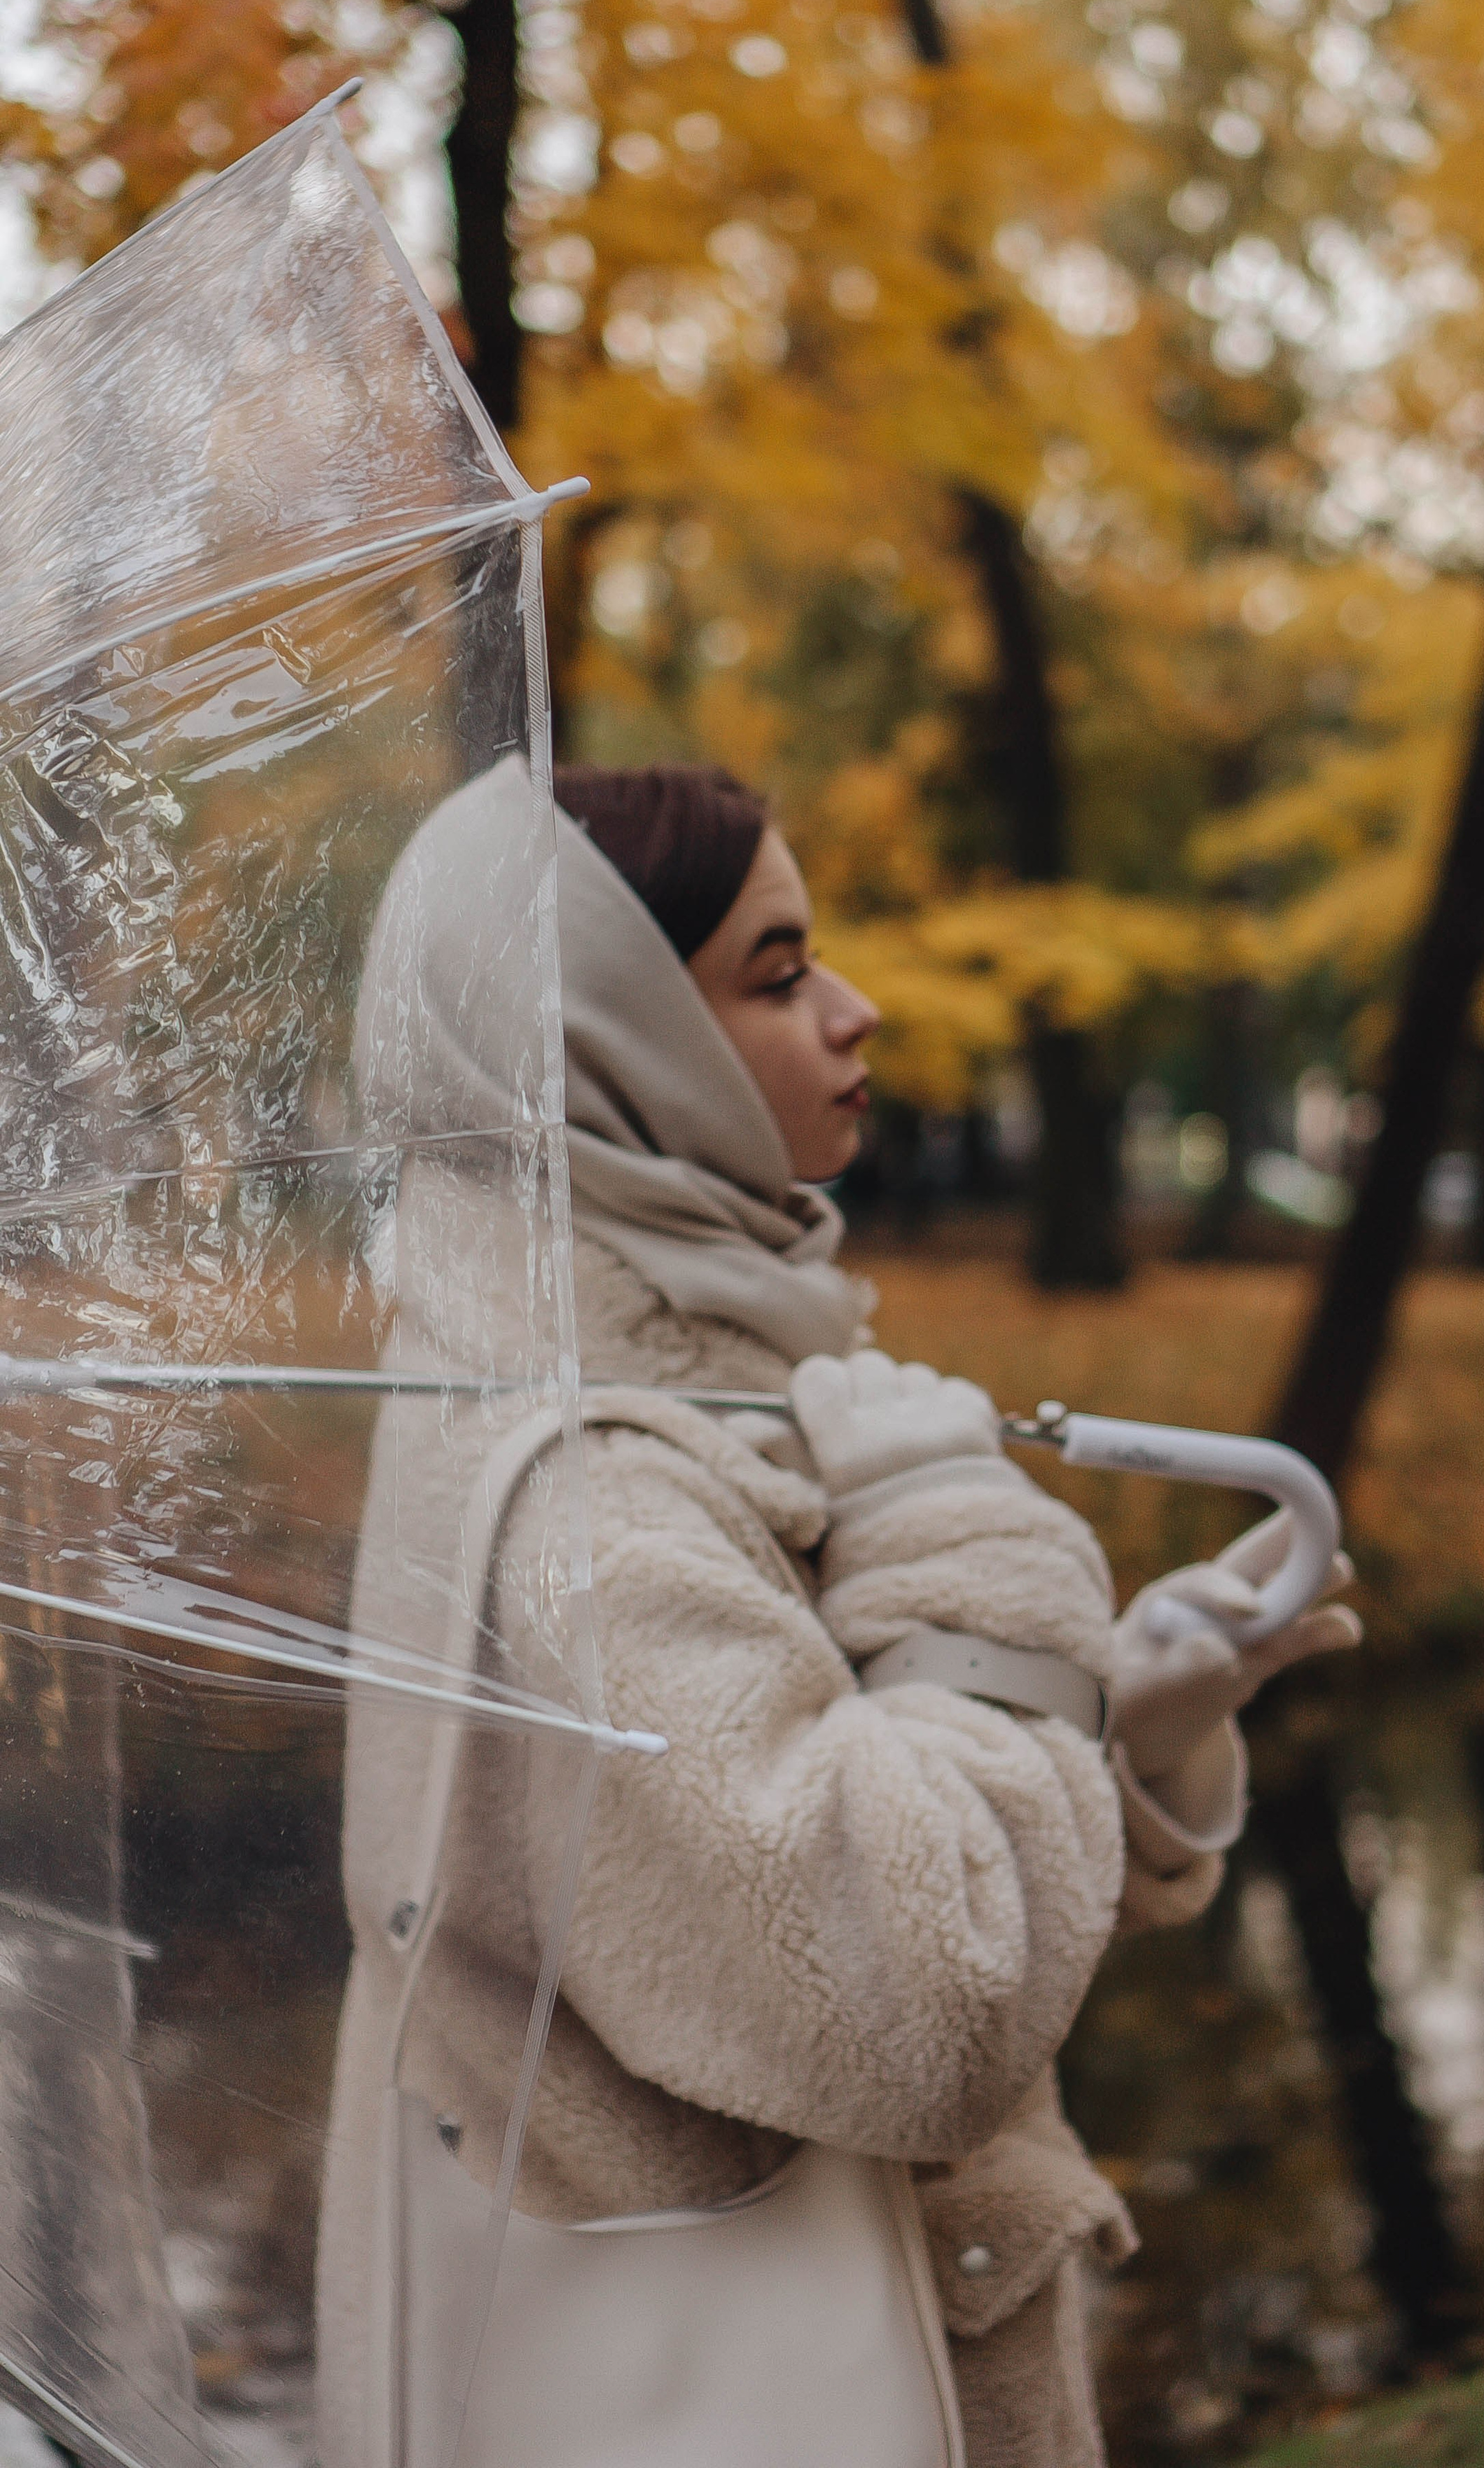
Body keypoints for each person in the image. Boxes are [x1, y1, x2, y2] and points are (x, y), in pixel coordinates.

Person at [318, 755, 1359, 2468]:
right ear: (612, 1045)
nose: (859, 1014)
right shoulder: (592, 1492)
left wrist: (1126, 1731)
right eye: (779, 973)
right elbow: (914, 2000)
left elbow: (804, 1872)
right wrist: (959, 1537)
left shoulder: (689, 1375)